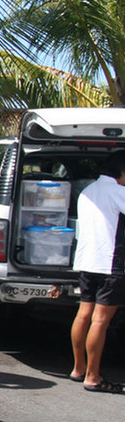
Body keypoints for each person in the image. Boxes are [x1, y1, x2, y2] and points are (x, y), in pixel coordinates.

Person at [69, 150, 125, 393]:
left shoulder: (88, 191)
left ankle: (78, 368)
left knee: (84, 314)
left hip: (88, 261)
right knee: (101, 320)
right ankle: (93, 376)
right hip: (111, 263)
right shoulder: (117, 191)